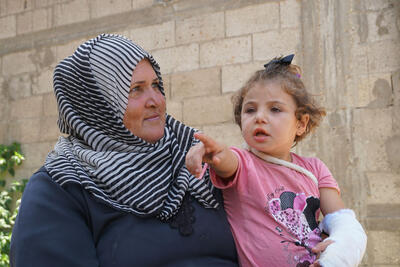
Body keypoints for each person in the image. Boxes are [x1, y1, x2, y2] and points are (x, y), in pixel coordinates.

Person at [10, 34, 239, 266]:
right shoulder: (60, 190)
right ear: (97, 107)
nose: (156, 100)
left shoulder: (194, 156)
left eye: (156, 85)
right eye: (135, 90)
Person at [185, 55, 367, 267]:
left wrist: (336, 255)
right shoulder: (243, 163)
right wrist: (211, 152)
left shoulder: (314, 169)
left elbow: (342, 221)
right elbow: (226, 160)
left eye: (275, 109)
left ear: (301, 123)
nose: (259, 117)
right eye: (250, 109)